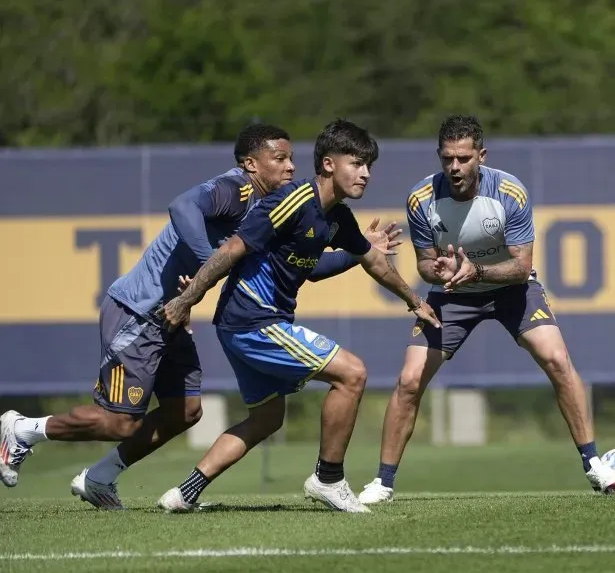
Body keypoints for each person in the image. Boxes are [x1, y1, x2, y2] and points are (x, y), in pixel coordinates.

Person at [0, 123, 398, 510]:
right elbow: (182, 206)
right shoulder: (235, 188)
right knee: (119, 422)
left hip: (173, 315)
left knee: (186, 411)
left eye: (292, 158)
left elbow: (305, 267)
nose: (291, 166)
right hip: (138, 312)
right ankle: (24, 429)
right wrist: (211, 264)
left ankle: (100, 477)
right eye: (279, 158)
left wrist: (359, 253)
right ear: (251, 164)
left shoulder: (275, 208)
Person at [155, 119, 441, 514]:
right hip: (253, 320)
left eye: (369, 166)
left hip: (244, 323)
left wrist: (414, 299)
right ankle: (328, 478)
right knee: (352, 373)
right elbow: (232, 250)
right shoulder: (292, 200)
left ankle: (183, 493)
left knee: (267, 418)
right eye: (356, 163)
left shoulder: (336, 217)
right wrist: (187, 299)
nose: (366, 174)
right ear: (327, 164)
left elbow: (372, 260)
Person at [357, 114, 615, 504]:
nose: (455, 167)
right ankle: (383, 483)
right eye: (447, 159)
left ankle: (595, 465)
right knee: (409, 380)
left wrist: (476, 269)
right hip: (451, 295)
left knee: (558, 360)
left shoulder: (510, 192)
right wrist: (438, 269)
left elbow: (521, 264)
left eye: (463, 158)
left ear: (482, 155)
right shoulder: (420, 199)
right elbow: (425, 263)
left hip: (511, 289)